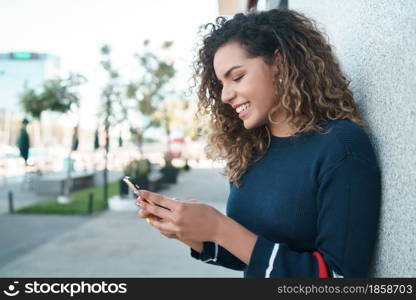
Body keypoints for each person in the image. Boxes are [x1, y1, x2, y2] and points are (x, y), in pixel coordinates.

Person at [136, 8, 381, 278]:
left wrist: (220, 227)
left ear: (279, 64)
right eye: (221, 84)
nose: (226, 95)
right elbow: (254, 257)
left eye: (237, 77)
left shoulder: (341, 147)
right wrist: (191, 231)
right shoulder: (251, 152)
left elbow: (340, 278)